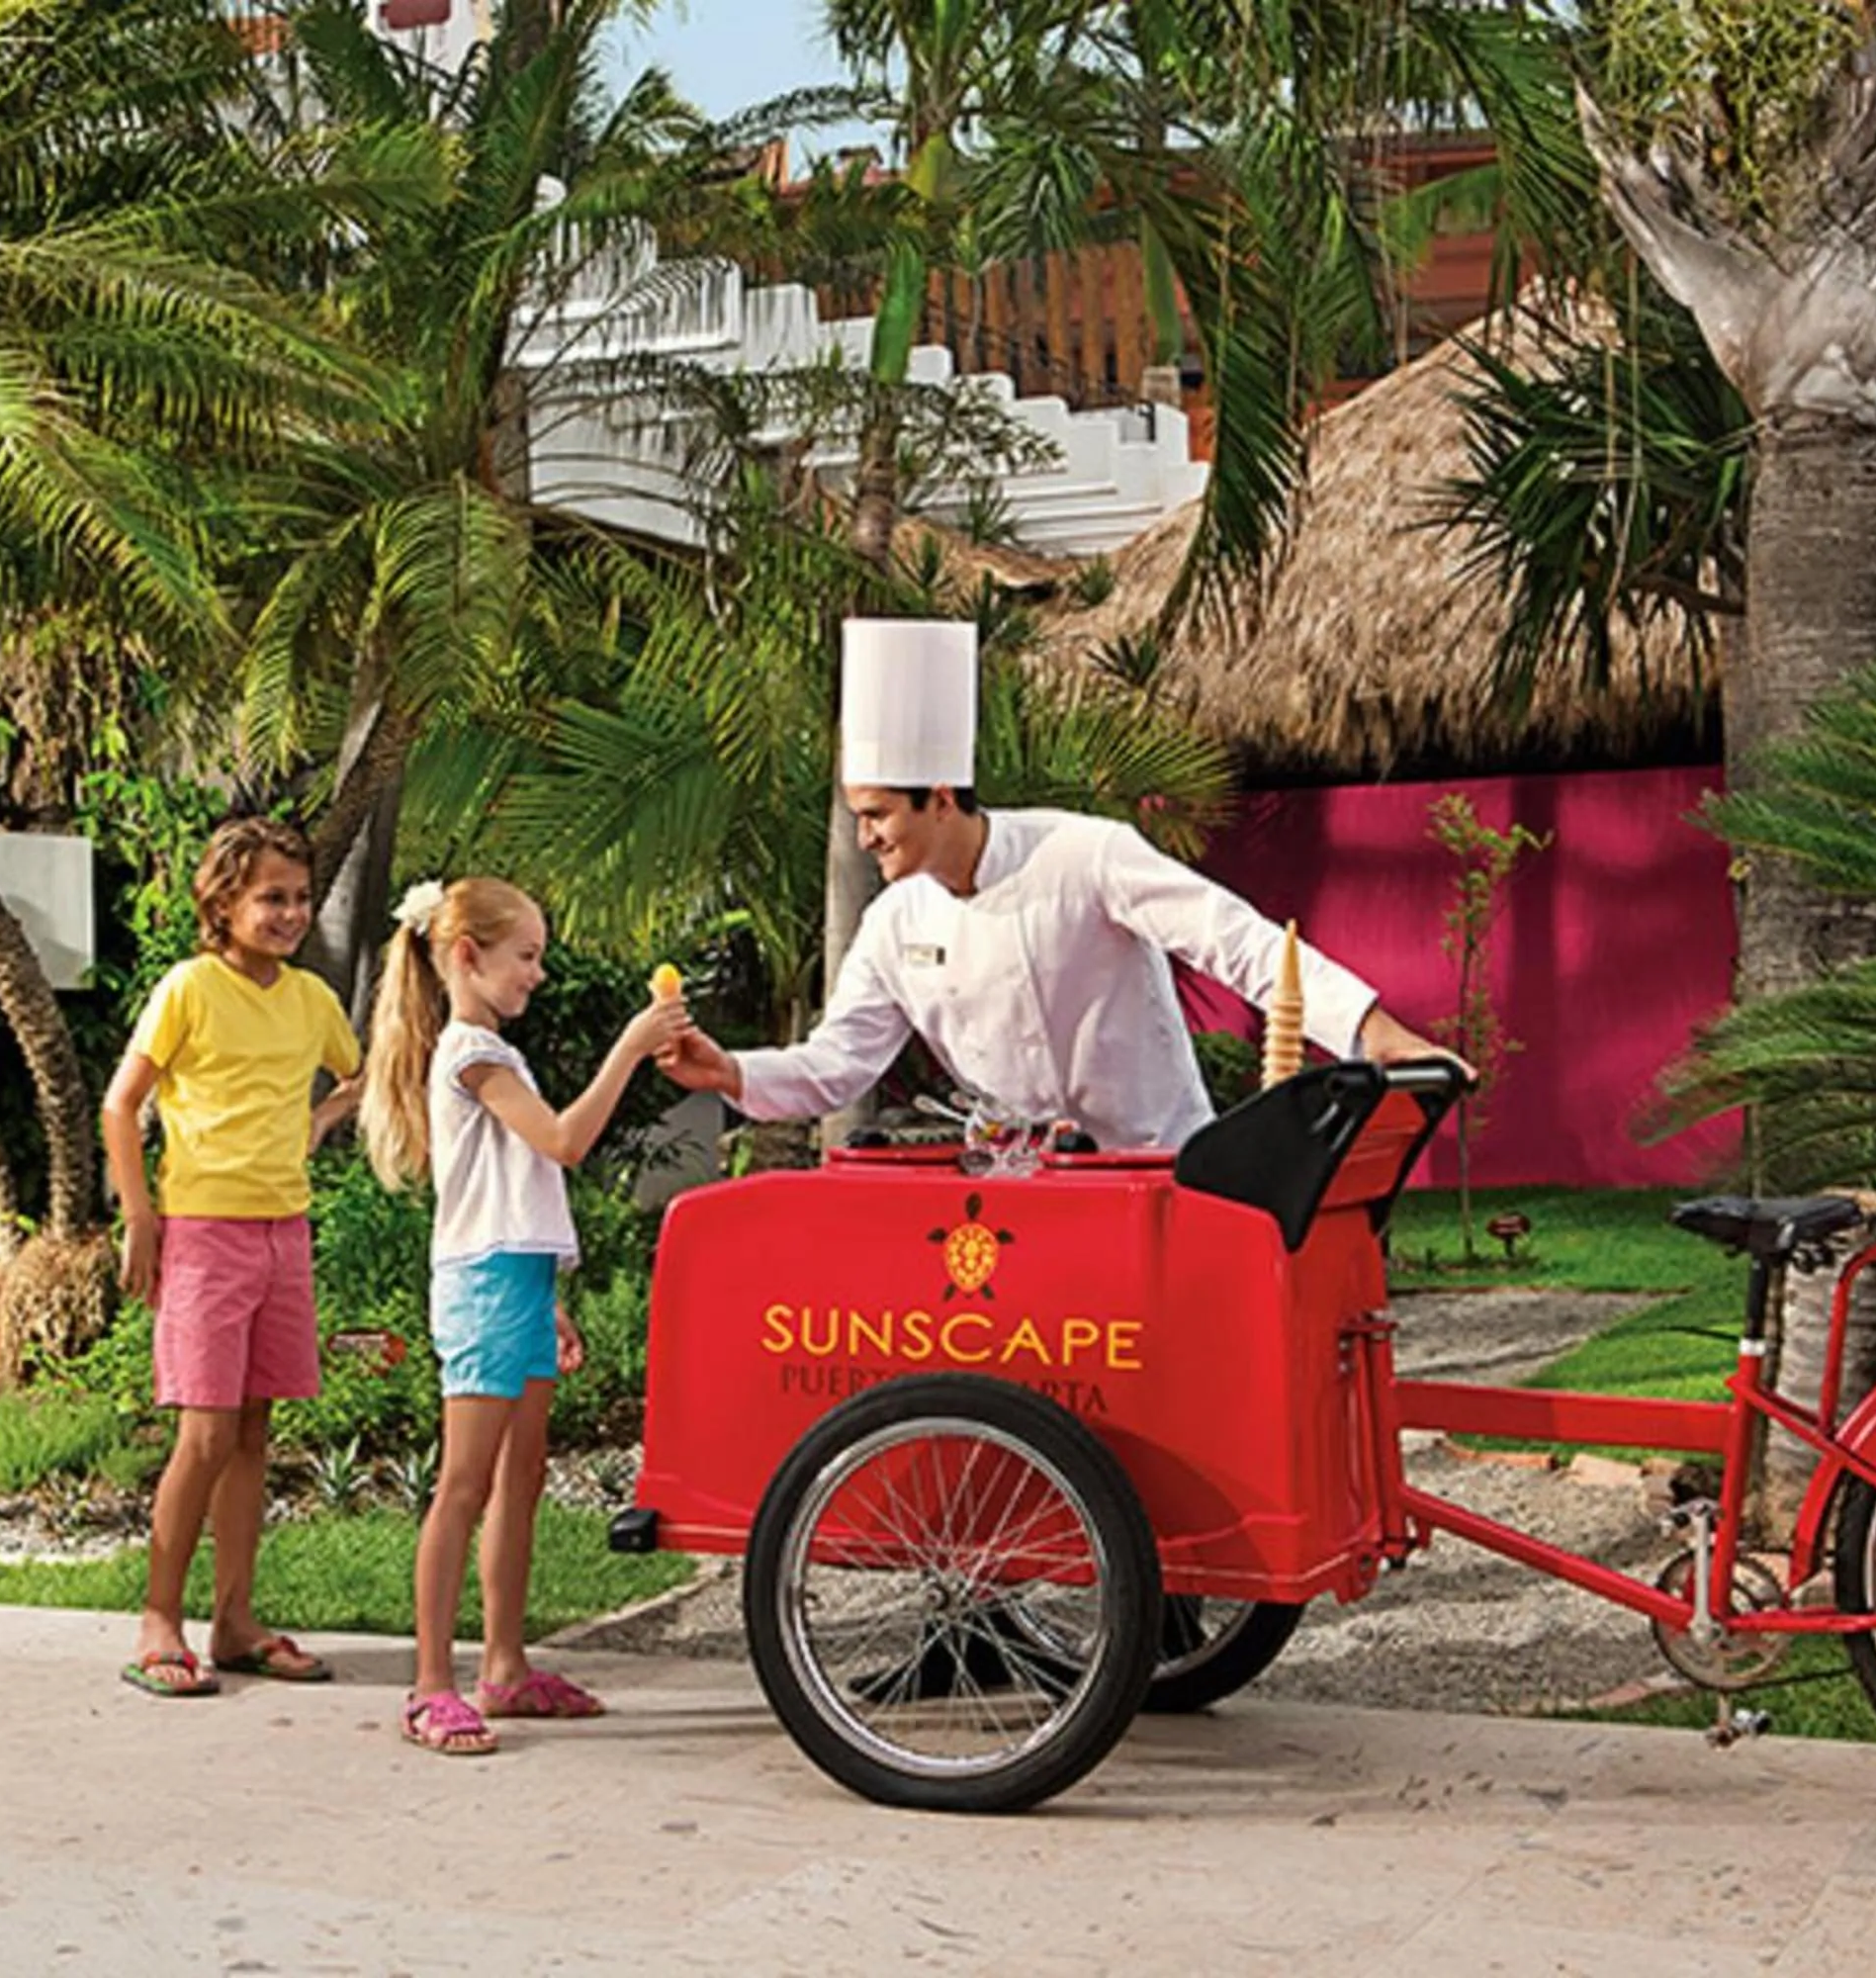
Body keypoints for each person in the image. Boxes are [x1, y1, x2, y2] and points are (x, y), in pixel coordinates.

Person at [658, 619, 1458, 1148]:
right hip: (1022, 1186)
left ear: (939, 797)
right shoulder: (894, 923)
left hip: (1158, 1167)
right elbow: (839, 1061)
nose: (864, 838)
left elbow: (1235, 941)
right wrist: (732, 1072)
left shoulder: (1084, 854)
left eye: (876, 816)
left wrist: (1373, 1033)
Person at [357, 876, 690, 1755]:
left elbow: (521, 1186)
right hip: (480, 1287)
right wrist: (628, 1047)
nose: (538, 974)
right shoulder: (474, 1055)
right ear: (467, 956)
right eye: (527, 956)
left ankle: (503, 1667)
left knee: (520, 1481)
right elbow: (564, 1144)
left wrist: (551, 1293)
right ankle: (431, 1685)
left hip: (518, 1281)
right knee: (464, 1487)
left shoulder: (493, 1052)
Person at [106, 817, 365, 1698]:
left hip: (282, 1233)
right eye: (271, 898)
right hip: (204, 1235)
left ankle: (236, 1623)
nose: (290, 913)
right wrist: (141, 1216)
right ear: (222, 902)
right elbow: (120, 1105)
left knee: (254, 1432)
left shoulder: (311, 1001)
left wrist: (321, 1120)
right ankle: (158, 1619)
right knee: (206, 1432)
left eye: (299, 897)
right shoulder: (188, 988)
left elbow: (360, 1075)